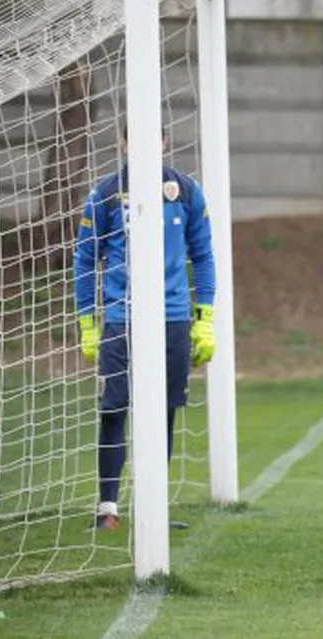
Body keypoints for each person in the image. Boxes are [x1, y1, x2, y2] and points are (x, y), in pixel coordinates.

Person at [73, 122, 217, 530]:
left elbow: (204, 256)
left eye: (152, 137)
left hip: (173, 319)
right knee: (113, 408)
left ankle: (153, 508)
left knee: (164, 412)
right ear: (122, 143)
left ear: (164, 142)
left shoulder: (185, 191)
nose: (143, 145)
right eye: (133, 138)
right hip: (121, 319)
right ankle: (107, 510)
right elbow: (85, 261)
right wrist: (88, 322)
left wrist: (204, 318)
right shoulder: (103, 195)